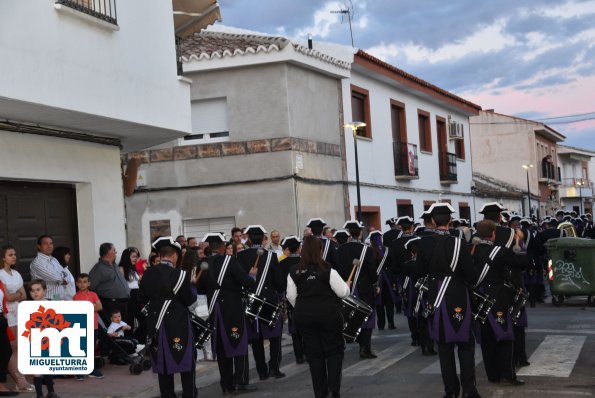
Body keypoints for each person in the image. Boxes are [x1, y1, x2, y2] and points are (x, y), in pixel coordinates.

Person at [416, 203, 481, 398]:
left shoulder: (424, 243)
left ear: (433, 221)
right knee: (466, 345)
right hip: (460, 295)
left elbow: (419, 272)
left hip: (438, 297)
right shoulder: (459, 243)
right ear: (450, 221)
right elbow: (471, 276)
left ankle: (451, 392)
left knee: (444, 348)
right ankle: (469, 391)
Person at [286, 236, 350, 398]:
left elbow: (291, 296)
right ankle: (333, 389)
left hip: (304, 317)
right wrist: (347, 286)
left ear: (303, 251)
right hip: (328, 315)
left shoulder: (294, 270)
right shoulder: (328, 269)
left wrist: (305, 308)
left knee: (315, 356)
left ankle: (320, 393)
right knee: (335, 351)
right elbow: (342, 293)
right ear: (320, 250)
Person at [198, 233, 257, 395]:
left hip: (214, 310)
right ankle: (240, 382)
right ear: (223, 247)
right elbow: (247, 282)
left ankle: (226, 385)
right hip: (232, 309)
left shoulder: (203, 263)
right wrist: (252, 275)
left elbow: (200, 289)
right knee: (238, 344)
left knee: (222, 348)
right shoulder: (230, 261)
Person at [140, 237, 196, 398]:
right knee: (185, 361)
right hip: (177, 324)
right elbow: (190, 301)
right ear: (174, 256)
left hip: (155, 324)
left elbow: (142, 298)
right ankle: (189, 395)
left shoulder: (148, 273)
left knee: (162, 363)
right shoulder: (181, 275)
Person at [472, 221, 524, 386]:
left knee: (487, 339)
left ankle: (493, 375)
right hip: (498, 298)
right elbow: (521, 263)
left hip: (479, 297)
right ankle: (508, 374)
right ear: (493, 233)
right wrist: (520, 243)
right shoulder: (500, 252)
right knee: (505, 336)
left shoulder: (470, 251)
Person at [236, 225, 286, 380]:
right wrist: (280, 293)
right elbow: (279, 282)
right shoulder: (271, 256)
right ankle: (275, 368)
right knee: (275, 336)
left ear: (249, 239)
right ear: (263, 239)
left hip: (251, 300)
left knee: (256, 338)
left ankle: (262, 371)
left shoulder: (240, 256)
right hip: (270, 299)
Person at [337, 220, 378, 359]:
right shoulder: (367, 249)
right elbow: (372, 272)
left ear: (349, 233)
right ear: (360, 233)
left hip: (346, 287)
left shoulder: (340, 249)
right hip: (363, 288)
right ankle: (364, 347)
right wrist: (375, 282)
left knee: (349, 315)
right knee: (367, 316)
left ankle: (352, 339)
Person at [0, 245, 33, 392]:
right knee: (11, 345)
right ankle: (19, 379)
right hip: (8, 312)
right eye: (10, 255)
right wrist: (15, 295)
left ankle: (21, 378)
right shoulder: (1, 274)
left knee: (19, 345)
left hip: (18, 310)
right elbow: (6, 297)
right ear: (3, 258)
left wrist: (15, 296)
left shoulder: (16, 274)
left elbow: (24, 295)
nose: (14, 257)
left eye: (14, 254)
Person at [28, 280, 59, 398]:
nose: (35, 293)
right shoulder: (28, 307)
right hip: (35, 341)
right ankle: (39, 394)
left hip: (49, 340)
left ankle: (51, 392)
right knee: (37, 370)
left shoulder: (51, 304)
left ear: (45, 291)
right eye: (32, 290)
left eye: (38, 290)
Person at [89, 243, 130, 325]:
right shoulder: (99, 268)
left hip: (123, 303)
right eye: (114, 250)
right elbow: (91, 287)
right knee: (113, 330)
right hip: (111, 304)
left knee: (123, 329)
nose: (116, 252)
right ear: (108, 252)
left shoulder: (114, 265)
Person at [72, 273, 104, 379]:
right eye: (80, 282)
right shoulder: (76, 297)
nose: (82, 284)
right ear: (77, 283)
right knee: (81, 348)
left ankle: (91, 369)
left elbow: (99, 307)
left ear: (89, 283)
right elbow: (79, 311)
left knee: (92, 348)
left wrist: (87, 307)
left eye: (85, 282)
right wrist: (92, 306)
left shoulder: (93, 294)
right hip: (82, 327)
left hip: (93, 326)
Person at [278, 236, 304, 363]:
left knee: (294, 328)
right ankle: (308, 353)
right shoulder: (304, 262)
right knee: (307, 327)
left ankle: (298, 355)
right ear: (298, 248)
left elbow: (281, 283)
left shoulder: (281, 263)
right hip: (305, 297)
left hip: (289, 298)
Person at [369, 231, 397, 330]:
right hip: (388, 279)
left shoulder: (370, 251)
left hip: (376, 279)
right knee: (389, 302)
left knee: (379, 303)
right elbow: (393, 265)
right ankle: (391, 323)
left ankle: (381, 324)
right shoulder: (388, 250)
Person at [119, 247, 146, 343]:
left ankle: (136, 340)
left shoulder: (133, 269)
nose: (136, 258)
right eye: (133, 256)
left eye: (137, 256)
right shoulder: (121, 269)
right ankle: (130, 342)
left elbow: (136, 283)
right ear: (127, 257)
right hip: (129, 296)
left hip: (137, 296)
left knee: (144, 320)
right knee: (129, 321)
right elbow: (123, 284)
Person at [30, 235, 69, 300]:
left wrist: (62, 276)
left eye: (51, 243)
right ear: (39, 246)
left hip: (57, 298)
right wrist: (62, 277)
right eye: (45, 244)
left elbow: (66, 274)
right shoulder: (37, 262)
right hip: (46, 299)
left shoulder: (53, 259)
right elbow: (55, 277)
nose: (49, 246)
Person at [0, 276, 18, 396]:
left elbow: (3, 298)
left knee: (6, 351)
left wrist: (4, 316)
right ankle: (1, 386)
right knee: (4, 351)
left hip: (1, 317)